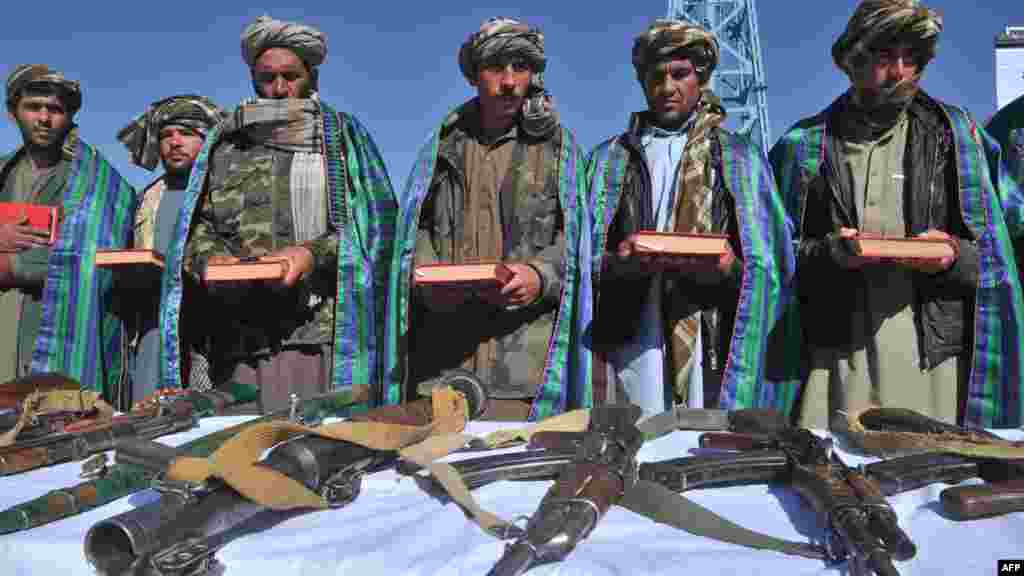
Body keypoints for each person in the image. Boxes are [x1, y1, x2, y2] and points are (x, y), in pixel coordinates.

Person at [770, 0, 1024, 428]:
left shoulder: (959, 138)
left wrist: (953, 256)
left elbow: (1005, 252)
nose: (900, 72)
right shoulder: (804, 145)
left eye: (912, 59)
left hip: (933, 361)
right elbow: (772, 257)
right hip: (835, 357)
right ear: (853, 60)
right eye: (886, 56)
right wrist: (831, 253)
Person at [167, 16, 397, 412]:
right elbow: (198, 226)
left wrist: (313, 253)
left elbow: (376, 225)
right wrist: (211, 262)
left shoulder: (342, 140)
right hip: (237, 340)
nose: (278, 89)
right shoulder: (227, 143)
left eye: (290, 76)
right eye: (266, 78)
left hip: (317, 335)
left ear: (312, 76)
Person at [579, 20, 795, 419]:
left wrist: (730, 269)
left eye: (680, 74)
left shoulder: (741, 158)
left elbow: (772, 266)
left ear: (701, 78)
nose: (667, 87)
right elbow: (581, 262)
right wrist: (620, 262)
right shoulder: (607, 160)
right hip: (634, 337)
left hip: (709, 337)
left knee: (704, 445)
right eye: (655, 76)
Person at [391, 17, 585, 420]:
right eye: (496, 67)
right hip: (441, 368)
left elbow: (584, 239)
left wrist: (540, 275)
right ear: (474, 75)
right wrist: (426, 275)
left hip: (523, 372)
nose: (510, 81)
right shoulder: (442, 148)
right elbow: (414, 230)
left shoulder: (560, 150)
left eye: (521, 67)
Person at [0, 65, 135, 398]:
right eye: (33, 107)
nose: (44, 118)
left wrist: (11, 267)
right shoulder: (3, 173)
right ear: (12, 112)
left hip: (59, 330)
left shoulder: (97, 182)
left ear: (70, 115)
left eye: (55, 109)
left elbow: (95, 255)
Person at [116, 95, 225, 405]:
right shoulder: (146, 198)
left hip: (207, 331)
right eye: (166, 135)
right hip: (152, 330)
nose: (175, 142)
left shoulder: (224, 191)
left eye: (187, 133)